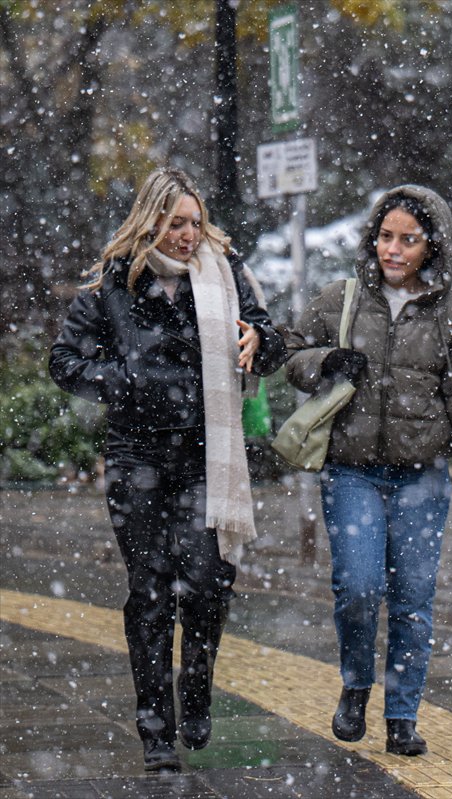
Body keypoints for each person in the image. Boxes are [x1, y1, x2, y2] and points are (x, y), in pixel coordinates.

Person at [48, 167, 287, 772]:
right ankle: (156, 730)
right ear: (150, 221)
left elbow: (269, 341)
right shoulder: (114, 280)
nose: (188, 235)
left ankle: (197, 688)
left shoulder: (224, 273)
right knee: (150, 590)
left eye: (195, 222)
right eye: (176, 223)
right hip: (137, 456)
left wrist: (260, 341)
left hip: (207, 453)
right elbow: (64, 360)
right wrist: (122, 381)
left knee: (208, 583)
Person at [285, 185, 452, 756]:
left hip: (422, 478)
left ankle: (402, 716)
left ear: (432, 246)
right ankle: (356, 685)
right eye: (386, 236)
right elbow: (290, 355)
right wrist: (325, 360)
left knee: (412, 600)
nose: (394, 249)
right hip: (351, 473)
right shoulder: (341, 299)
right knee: (358, 587)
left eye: (408, 239)